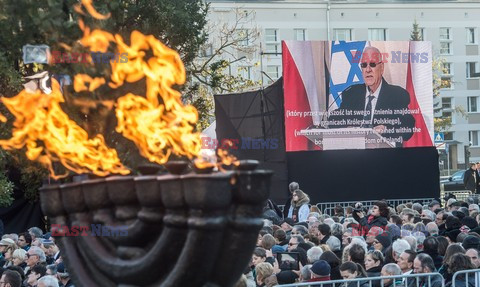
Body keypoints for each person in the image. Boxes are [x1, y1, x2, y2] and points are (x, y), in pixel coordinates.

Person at [327, 46, 415, 147]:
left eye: (372, 64)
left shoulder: (397, 94)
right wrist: (348, 127)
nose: (368, 70)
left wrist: (385, 128)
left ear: (381, 68)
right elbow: (334, 119)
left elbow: (408, 126)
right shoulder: (351, 92)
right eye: (364, 65)